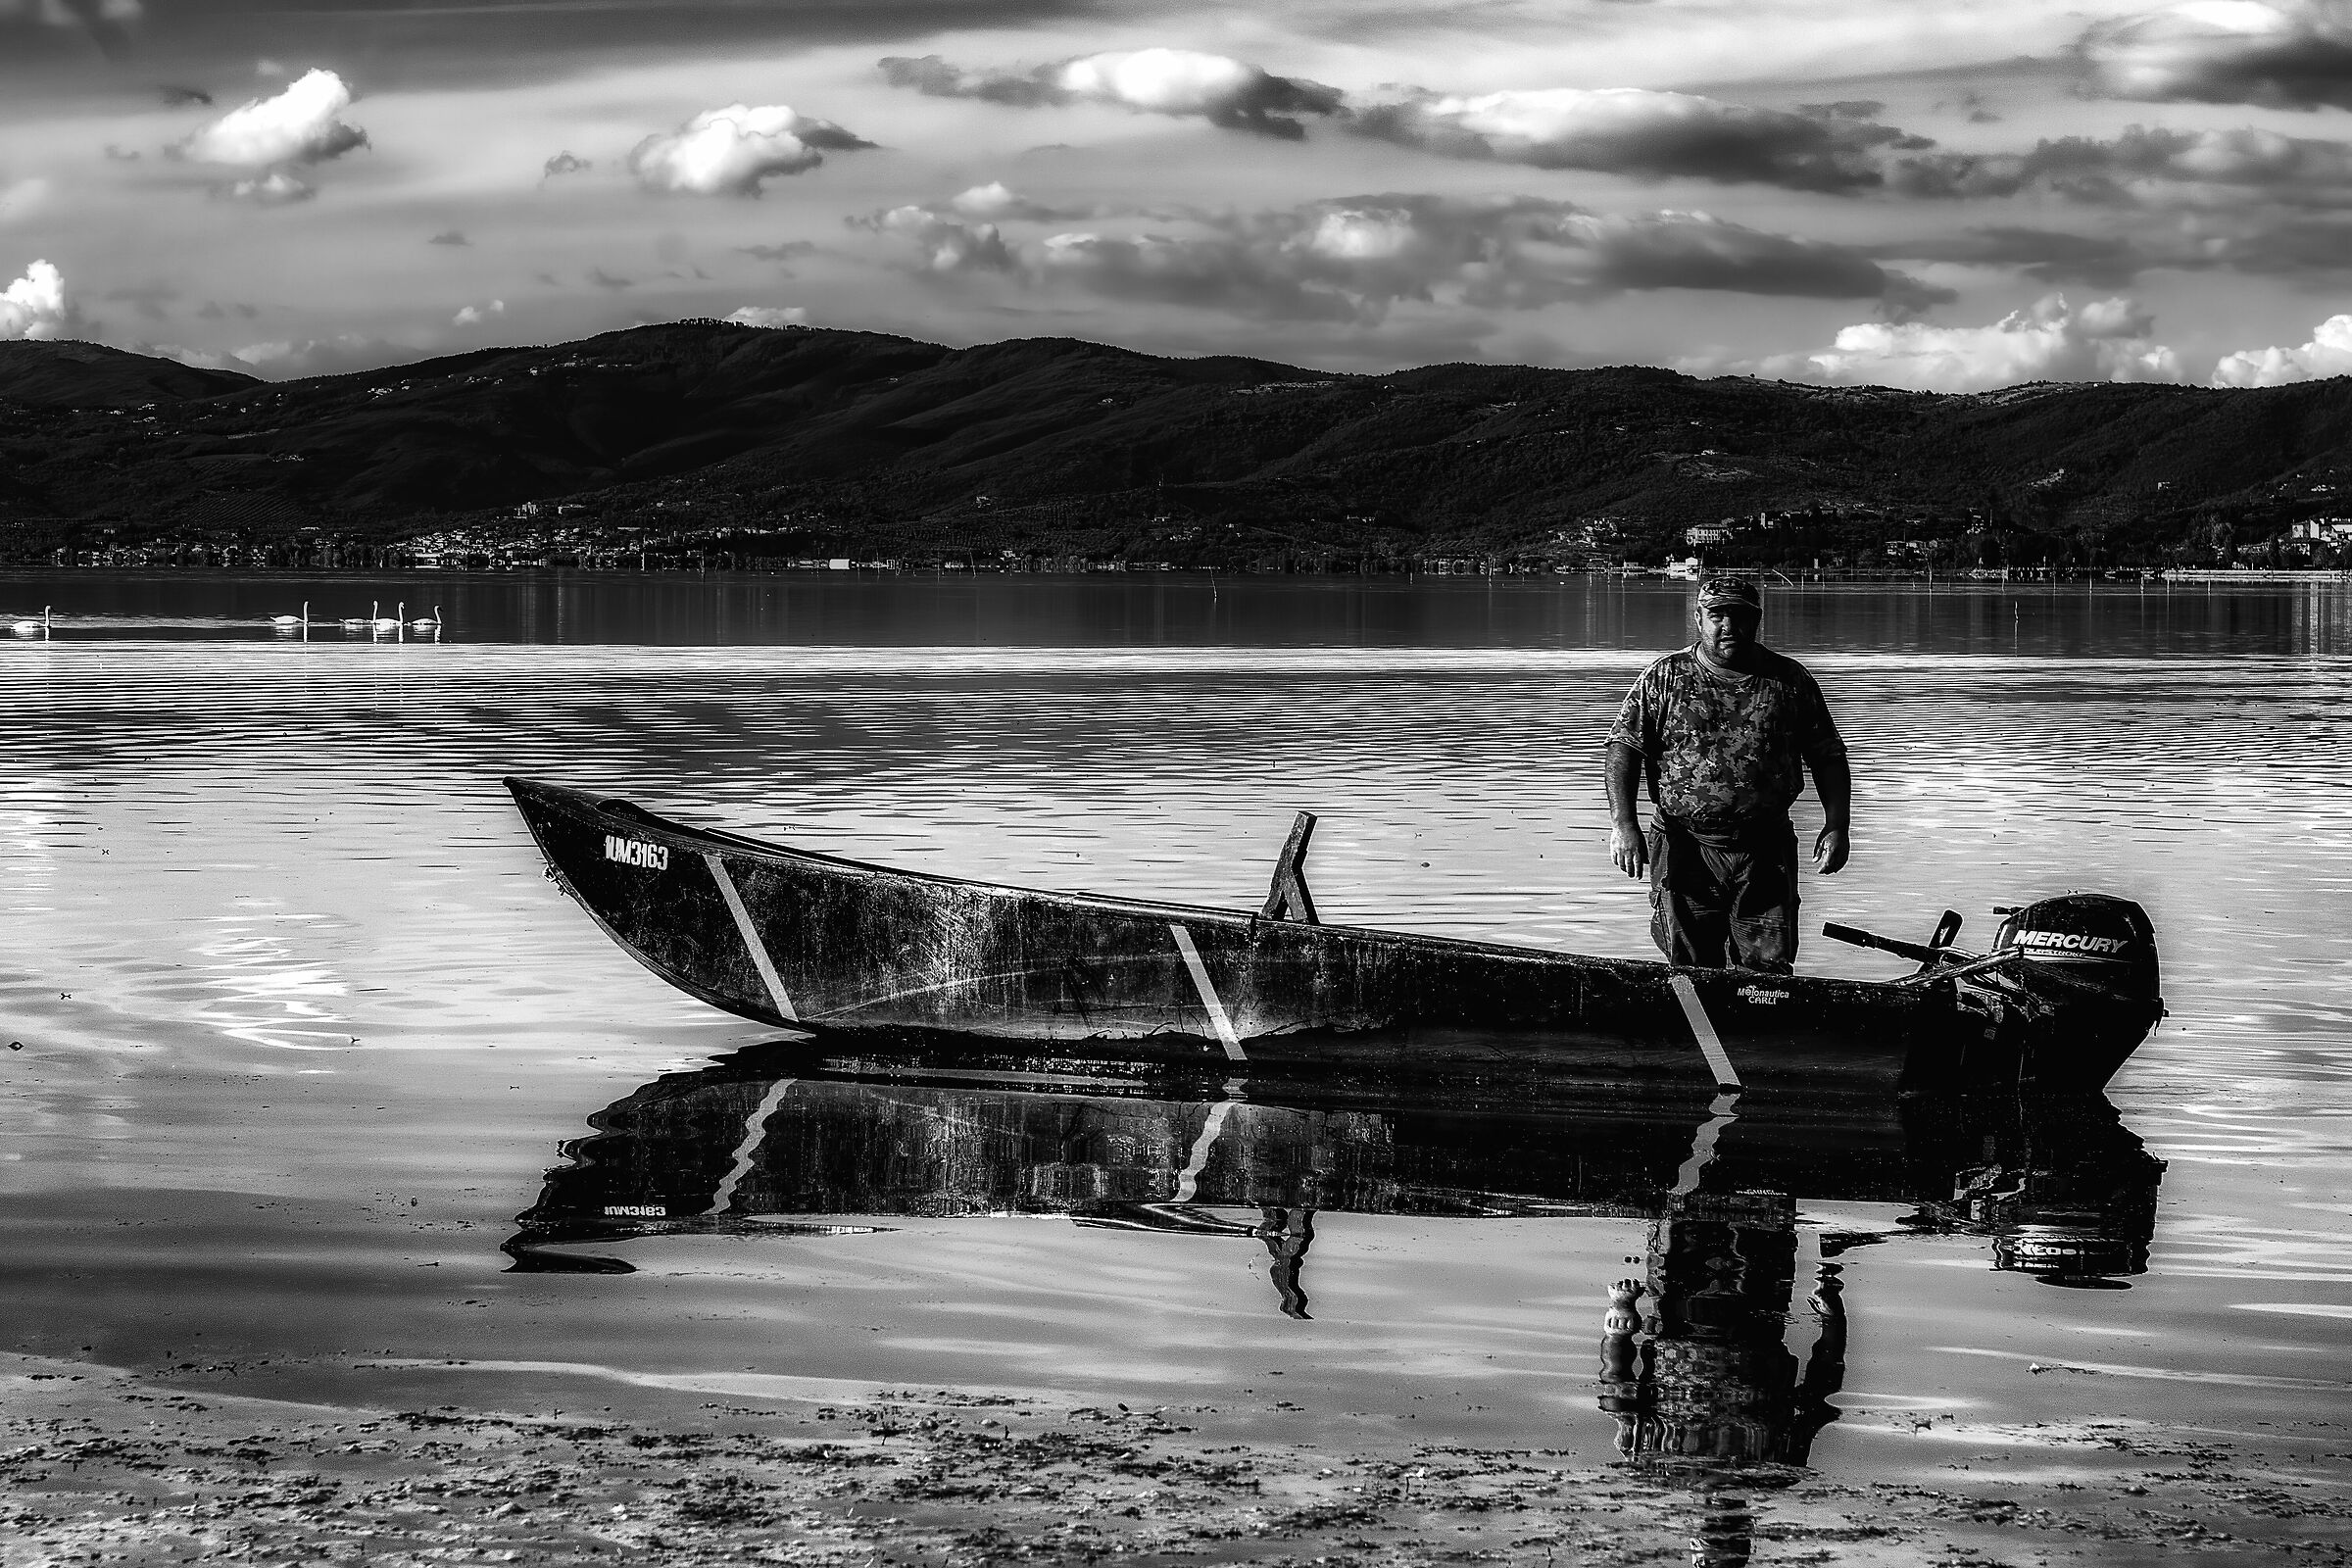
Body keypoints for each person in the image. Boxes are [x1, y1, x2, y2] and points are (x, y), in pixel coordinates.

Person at [1604, 577, 1850, 972]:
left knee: (1768, 973)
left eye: (1739, 616)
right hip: (1685, 845)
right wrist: (1623, 824)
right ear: (1698, 619)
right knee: (1690, 966)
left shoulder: (1789, 681)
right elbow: (1624, 749)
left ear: (1757, 621)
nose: (1728, 626)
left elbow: (1828, 757)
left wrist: (1838, 825)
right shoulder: (1665, 677)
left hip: (1765, 850)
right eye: (1718, 615)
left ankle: (1761, 1013)